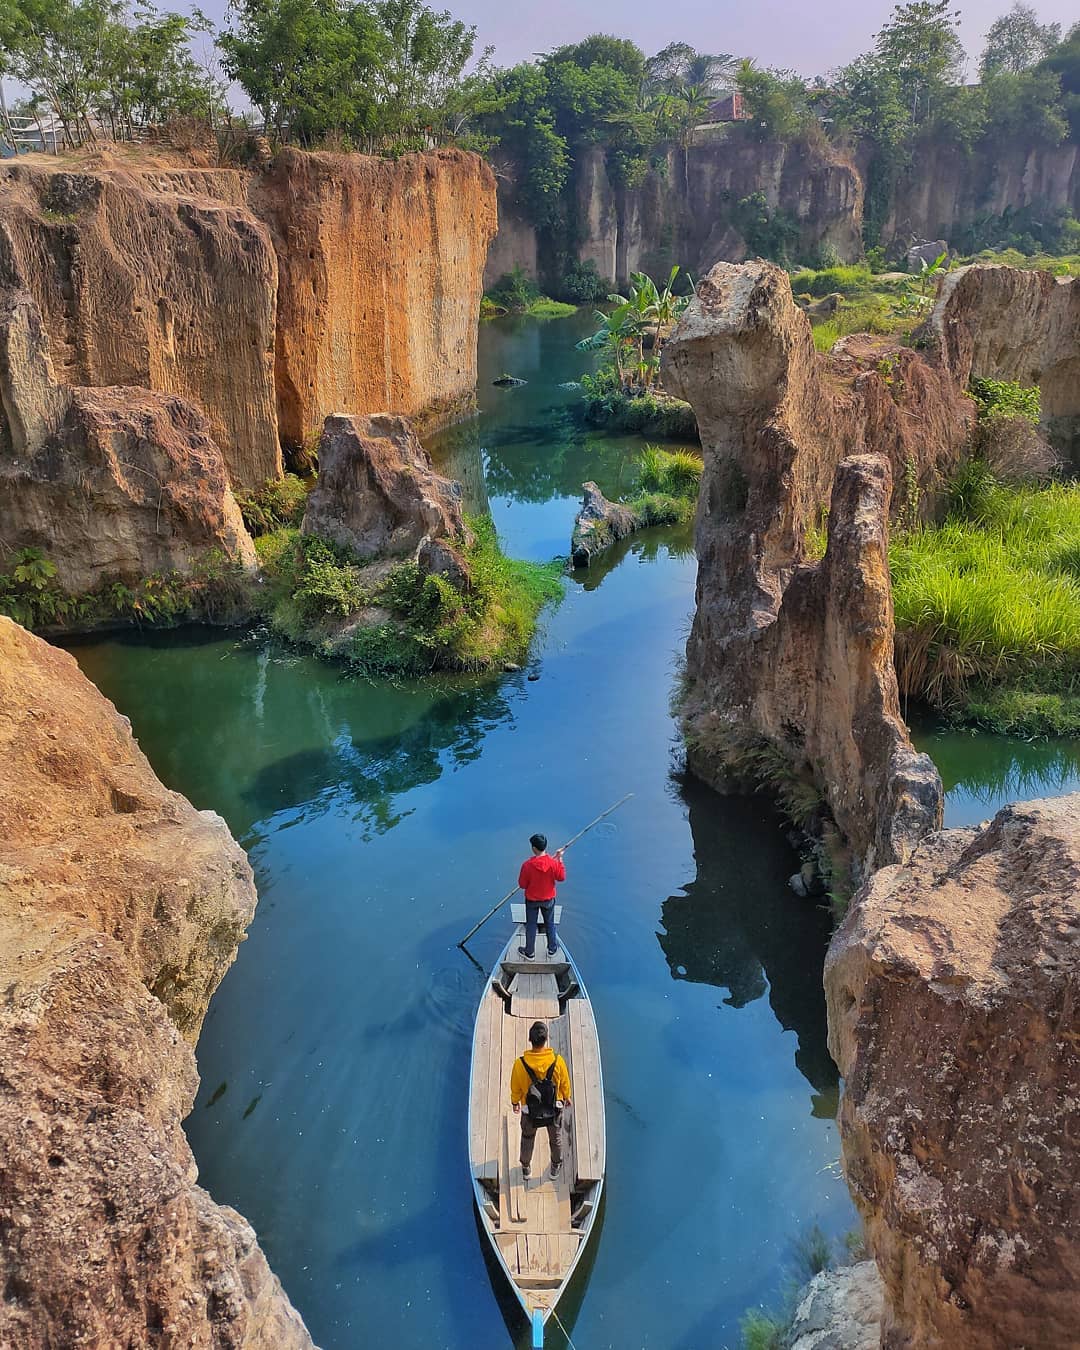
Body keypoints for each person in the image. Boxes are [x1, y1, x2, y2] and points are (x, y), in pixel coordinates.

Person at [510, 1020, 572, 1179]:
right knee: (555, 1139)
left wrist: (515, 1102)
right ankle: (555, 1167)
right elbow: (564, 1082)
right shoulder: (558, 1061)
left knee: (527, 1138)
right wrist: (566, 1096)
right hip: (553, 1110)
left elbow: (515, 1087)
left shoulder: (520, 1064)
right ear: (546, 1040)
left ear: (530, 1040)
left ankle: (526, 1168)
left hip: (530, 1111)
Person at [517, 832, 565, 960]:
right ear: (545, 846)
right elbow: (561, 877)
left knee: (531, 925)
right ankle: (552, 950)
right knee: (549, 923)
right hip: (548, 900)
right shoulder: (552, 863)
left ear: (533, 848)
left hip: (532, 900)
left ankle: (529, 953)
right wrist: (559, 859)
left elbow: (522, 885)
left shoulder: (527, 865)